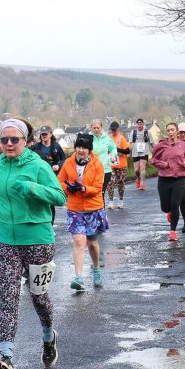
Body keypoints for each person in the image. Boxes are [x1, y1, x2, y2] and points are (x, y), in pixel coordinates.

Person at [0, 118, 66, 369]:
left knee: (39, 296)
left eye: (14, 139)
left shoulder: (38, 165)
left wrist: (31, 188)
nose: (9, 144)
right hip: (6, 241)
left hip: (38, 239)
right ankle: (6, 357)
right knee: (8, 298)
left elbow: (60, 197)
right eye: (4, 139)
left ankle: (48, 336)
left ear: (26, 141)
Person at [57, 133, 107, 289]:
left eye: (84, 147)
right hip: (75, 208)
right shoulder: (68, 163)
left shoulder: (97, 164)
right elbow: (60, 181)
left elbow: (98, 188)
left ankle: (96, 268)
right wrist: (68, 188)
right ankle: (78, 278)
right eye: (78, 146)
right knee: (79, 241)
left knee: (92, 243)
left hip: (93, 208)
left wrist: (84, 188)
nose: (81, 150)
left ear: (89, 149)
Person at [150, 122, 185, 241]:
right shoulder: (161, 145)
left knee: (175, 204)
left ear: (177, 131)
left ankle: (173, 231)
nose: (170, 132)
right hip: (164, 179)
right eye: (168, 130)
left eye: (172, 130)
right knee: (165, 207)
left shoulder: (183, 145)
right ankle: (169, 211)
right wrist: (163, 164)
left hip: (179, 179)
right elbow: (153, 160)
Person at [89, 120, 118, 204]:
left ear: (101, 128)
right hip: (92, 170)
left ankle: (101, 210)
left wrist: (113, 156)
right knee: (94, 193)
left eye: (98, 128)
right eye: (94, 128)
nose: (96, 130)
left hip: (105, 169)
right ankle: (94, 209)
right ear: (91, 128)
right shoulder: (88, 138)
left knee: (101, 193)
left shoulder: (107, 138)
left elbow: (113, 148)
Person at [107, 121, 131, 209]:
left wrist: (118, 149)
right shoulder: (108, 139)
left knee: (121, 182)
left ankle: (120, 201)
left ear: (118, 129)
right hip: (111, 165)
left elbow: (127, 151)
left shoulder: (122, 138)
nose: (113, 131)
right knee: (111, 181)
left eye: (114, 130)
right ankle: (110, 202)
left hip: (122, 165)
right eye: (112, 130)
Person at [129, 118, 153, 190]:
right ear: (136, 124)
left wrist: (156, 151)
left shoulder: (147, 132)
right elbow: (130, 143)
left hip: (144, 152)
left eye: (141, 124)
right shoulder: (133, 132)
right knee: (136, 170)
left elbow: (151, 143)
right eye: (138, 124)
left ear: (143, 124)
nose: (139, 125)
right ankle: (138, 179)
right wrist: (129, 151)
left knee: (142, 167)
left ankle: (142, 184)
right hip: (135, 152)